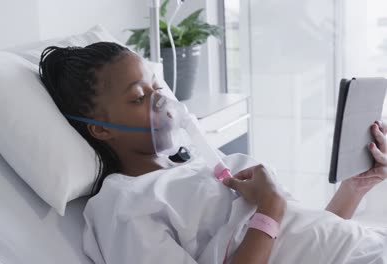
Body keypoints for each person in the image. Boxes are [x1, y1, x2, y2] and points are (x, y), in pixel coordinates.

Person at [39, 42, 387, 263]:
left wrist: (353, 188)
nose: (161, 102)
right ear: (101, 128)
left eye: (156, 87)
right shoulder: (123, 206)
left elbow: (299, 239)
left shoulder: (196, 162)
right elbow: (274, 225)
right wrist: (269, 207)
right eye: (138, 97)